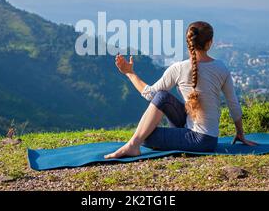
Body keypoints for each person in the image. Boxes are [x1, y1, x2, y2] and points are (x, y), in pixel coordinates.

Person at [105, 21, 257, 159]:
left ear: (188, 41)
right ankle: (134, 144)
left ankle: (132, 146)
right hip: (209, 138)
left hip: (199, 140)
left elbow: (149, 94)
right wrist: (240, 133)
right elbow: (233, 105)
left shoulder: (178, 68)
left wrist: (129, 73)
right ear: (209, 43)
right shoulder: (221, 68)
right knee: (162, 97)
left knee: (144, 136)